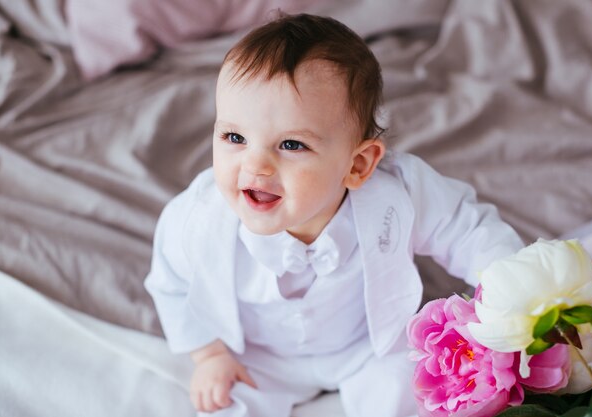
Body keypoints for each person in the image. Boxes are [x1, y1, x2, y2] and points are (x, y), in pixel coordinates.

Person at [145, 12, 524, 417]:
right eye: (234, 137)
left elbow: (466, 229)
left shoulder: (398, 194)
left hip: (366, 346)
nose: (255, 166)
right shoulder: (196, 220)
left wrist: (515, 293)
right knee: (223, 403)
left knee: (413, 389)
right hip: (259, 356)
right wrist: (208, 354)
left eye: (291, 145)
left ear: (357, 165)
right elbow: (170, 284)